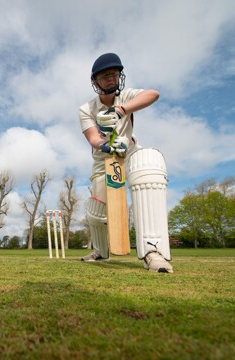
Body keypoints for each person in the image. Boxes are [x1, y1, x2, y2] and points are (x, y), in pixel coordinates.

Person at [79, 52, 173, 273]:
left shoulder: (127, 96)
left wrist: (121, 110)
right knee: (97, 212)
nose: (111, 78)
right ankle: (101, 251)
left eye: (115, 73)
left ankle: (154, 252)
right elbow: (93, 138)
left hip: (129, 152)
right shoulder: (86, 109)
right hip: (105, 161)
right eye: (105, 75)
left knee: (150, 166)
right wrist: (105, 145)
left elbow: (153, 94)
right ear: (95, 81)